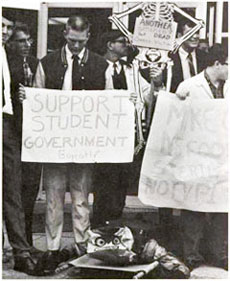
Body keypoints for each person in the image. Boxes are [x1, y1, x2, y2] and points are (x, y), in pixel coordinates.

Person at [31, 15, 108, 275]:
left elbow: (108, 103)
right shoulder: (48, 62)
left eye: (80, 41)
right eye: (71, 40)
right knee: (53, 197)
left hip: (84, 144)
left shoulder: (100, 64)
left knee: (80, 198)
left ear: (88, 36)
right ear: (65, 33)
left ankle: (80, 248)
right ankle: (52, 250)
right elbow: (37, 99)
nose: (75, 46)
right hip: (53, 144)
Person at [92, 30, 155, 227]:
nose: (125, 45)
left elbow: (147, 95)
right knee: (104, 180)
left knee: (121, 179)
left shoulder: (131, 70)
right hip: (104, 133)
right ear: (109, 45)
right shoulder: (97, 67)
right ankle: (100, 223)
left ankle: (116, 219)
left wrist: (156, 83)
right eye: (121, 42)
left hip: (127, 133)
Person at [176, 43, 228, 270]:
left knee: (221, 204)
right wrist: (178, 100)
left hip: (223, 155)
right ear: (217, 64)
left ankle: (218, 253)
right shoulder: (189, 86)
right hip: (196, 155)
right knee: (194, 205)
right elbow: (176, 121)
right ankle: (192, 254)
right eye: (228, 64)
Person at [2, 17, 37, 275]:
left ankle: (20, 251)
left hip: (8, 126)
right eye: (1, 28)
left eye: (6, 28)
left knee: (12, 190)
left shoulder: (9, 56)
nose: (3, 32)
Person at [7, 23, 42, 249]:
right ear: (10, 43)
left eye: (29, 40)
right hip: (12, 132)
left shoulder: (36, 63)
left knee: (30, 189)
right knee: (12, 192)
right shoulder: (5, 64)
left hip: (33, 134)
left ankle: (27, 241)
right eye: (21, 41)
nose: (27, 45)